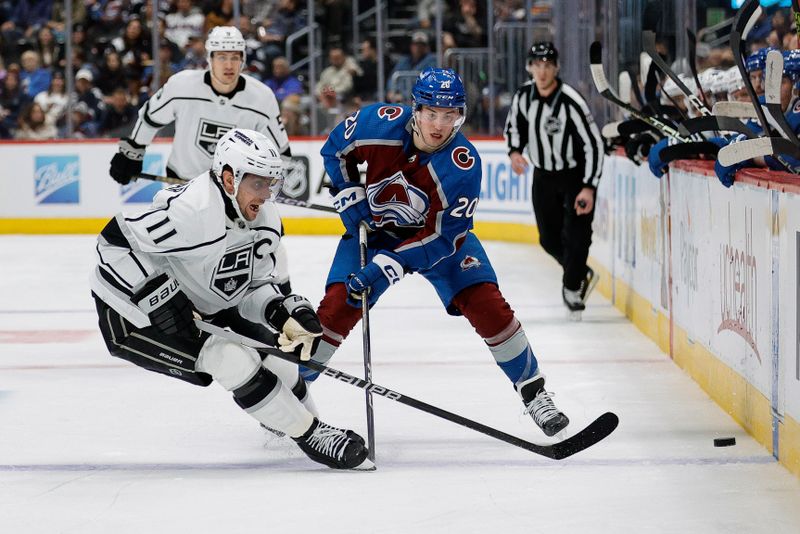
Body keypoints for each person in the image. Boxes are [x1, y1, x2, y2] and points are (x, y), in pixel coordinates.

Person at [299, 67, 570, 438]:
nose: (439, 125)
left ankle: (534, 392)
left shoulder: (463, 165)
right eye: (431, 113)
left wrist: (390, 265)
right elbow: (335, 148)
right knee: (337, 305)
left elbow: (444, 238)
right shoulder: (377, 123)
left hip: (439, 240)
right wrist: (348, 195)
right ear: (416, 110)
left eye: (449, 115)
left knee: (487, 303)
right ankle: (291, 392)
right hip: (377, 232)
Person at [91, 128, 370, 470]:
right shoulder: (191, 212)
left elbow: (246, 287)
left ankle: (298, 422)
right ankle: (309, 435)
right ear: (228, 178)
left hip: (198, 299)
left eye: (271, 183)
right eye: (258, 183)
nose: (267, 194)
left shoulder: (263, 219)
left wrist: (281, 311)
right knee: (231, 359)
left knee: (279, 360)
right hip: (129, 311)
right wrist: (156, 294)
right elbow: (112, 244)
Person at [109, 26, 293, 294]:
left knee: (268, 247)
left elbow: (281, 151)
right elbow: (151, 116)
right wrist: (132, 152)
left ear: (243, 59)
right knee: (179, 255)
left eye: (235, 57)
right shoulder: (182, 85)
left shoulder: (261, 97)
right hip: (183, 189)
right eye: (221, 56)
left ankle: (282, 305)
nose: (228, 64)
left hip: (235, 193)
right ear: (209, 59)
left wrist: (273, 182)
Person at [504, 42, 603, 315]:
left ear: (556, 68)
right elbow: (514, 128)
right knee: (548, 239)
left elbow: (593, 144)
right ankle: (580, 271)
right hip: (543, 177)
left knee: (577, 236)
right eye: (537, 65)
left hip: (575, 177)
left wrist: (589, 187)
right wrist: (514, 153)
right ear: (530, 68)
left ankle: (573, 288)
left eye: (548, 65)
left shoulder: (571, 100)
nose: (543, 71)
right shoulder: (523, 97)